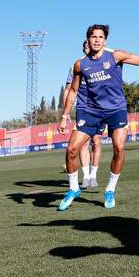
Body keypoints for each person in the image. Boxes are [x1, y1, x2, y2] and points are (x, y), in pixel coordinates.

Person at [57, 24, 139, 211]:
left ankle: (110, 189)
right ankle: (73, 188)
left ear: (105, 40)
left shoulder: (115, 55)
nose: (97, 40)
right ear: (88, 40)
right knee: (71, 149)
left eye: (100, 37)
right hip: (90, 111)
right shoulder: (80, 64)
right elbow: (73, 90)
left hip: (116, 109)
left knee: (119, 147)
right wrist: (65, 115)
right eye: (93, 37)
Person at [60, 40, 103, 189]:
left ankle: (93, 174)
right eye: (85, 46)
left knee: (96, 142)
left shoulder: (101, 64)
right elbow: (68, 89)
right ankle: (85, 177)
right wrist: (65, 112)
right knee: (83, 143)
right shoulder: (75, 66)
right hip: (83, 109)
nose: (88, 48)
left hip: (100, 109)